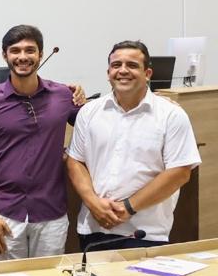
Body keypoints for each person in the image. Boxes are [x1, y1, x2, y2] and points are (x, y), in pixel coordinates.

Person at [68, 41, 201, 250]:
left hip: (146, 233)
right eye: (116, 65)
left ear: (147, 73)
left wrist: (128, 207)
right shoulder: (89, 112)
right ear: (108, 73)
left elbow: (180, 172)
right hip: (94, 228)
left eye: (131, 65)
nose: (123, 71)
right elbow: (75, 161)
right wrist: (93, 203)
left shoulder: (171, 115)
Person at [0, 25, 82, 260]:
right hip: (5, 213)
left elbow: (93, 125)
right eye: (15, 50)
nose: (22, 57)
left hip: (51, 212)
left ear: (41, 54)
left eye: (30, 50)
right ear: (5, 55)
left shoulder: (63, 95)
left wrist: (82, 97)